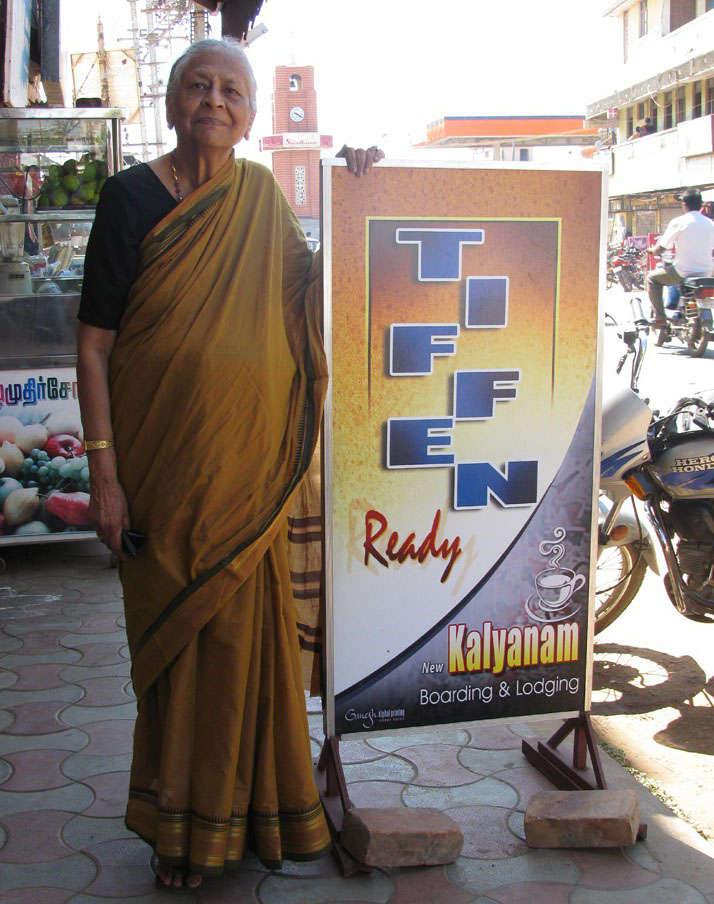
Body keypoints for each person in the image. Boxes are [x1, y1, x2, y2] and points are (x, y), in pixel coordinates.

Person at [76, 38, 382, 890]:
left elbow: (308, 297)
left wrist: (361, 196)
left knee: (247, 642)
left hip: (246, 476)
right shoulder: (128, 199)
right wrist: (105, 475)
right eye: (198, 86)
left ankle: (251, 817)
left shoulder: (260, 199)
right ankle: (181, 832)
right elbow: (93, 348)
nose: (215, 100)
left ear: (249, 117)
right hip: (160, 472)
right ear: (173, 103)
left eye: (232, 91)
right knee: (182, 643)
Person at [647, 188, 714, 327]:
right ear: (701, 205)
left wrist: (652, 251)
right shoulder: (710, 224)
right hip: (707, 272)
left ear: (684, 204)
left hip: (683, 271)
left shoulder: (679, 222)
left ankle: (660, 318)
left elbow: (662, 247)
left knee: (652, 279)